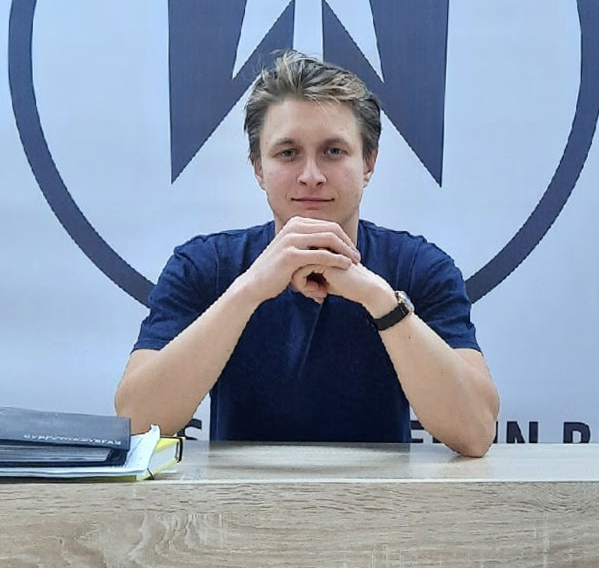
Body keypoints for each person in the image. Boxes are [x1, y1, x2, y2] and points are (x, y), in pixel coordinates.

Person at [115, 51, 499, 457]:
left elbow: (475, 433)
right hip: (240, 497)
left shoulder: (420, 267)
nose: (311, 176)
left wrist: (378, 298)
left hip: (381, 498)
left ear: (368, 163)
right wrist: (248, 290)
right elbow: (137, 422)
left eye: (333, 151)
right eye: (288, 153)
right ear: (258, 168)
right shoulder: (203, 266)